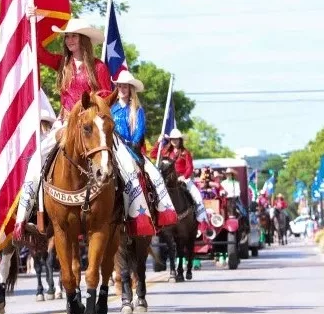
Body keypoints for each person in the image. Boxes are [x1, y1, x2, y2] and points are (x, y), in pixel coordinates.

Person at [14, 15, 157, 239]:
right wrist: (32, 23)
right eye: (67, 37)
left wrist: (92, 110)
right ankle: (24, 216)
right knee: (35, 161)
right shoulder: (63, 64)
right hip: (66, 124)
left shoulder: (98, 67)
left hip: (93, 124)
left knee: (128, 165)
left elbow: (103, 96)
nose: (70, 40)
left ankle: (134, 216)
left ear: (83, 39)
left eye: (73, 36)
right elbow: (39, 54)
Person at [109, 70, 177, 230]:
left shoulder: (137, 110)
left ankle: (159, 212)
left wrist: (132, 143)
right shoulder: (111, 110)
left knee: (155, 175)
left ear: (131, 89)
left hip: (131, 150)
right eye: (120, 86)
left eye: (125, 86)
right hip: (114, 148)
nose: (122, 89)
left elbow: (139, 130)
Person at [150, 128, 209, 232]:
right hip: (166, 179)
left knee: (197, 196)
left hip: (183, 179)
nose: (174, 141)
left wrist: (184, 176)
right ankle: (154, 220)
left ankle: (201, 221)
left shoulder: (185, 153)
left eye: (176, 139)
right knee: (153, 195)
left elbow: (190, 167)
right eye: (172, 139)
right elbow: (153, 154)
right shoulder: (165, 151)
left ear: (180, 140)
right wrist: (158, 142)